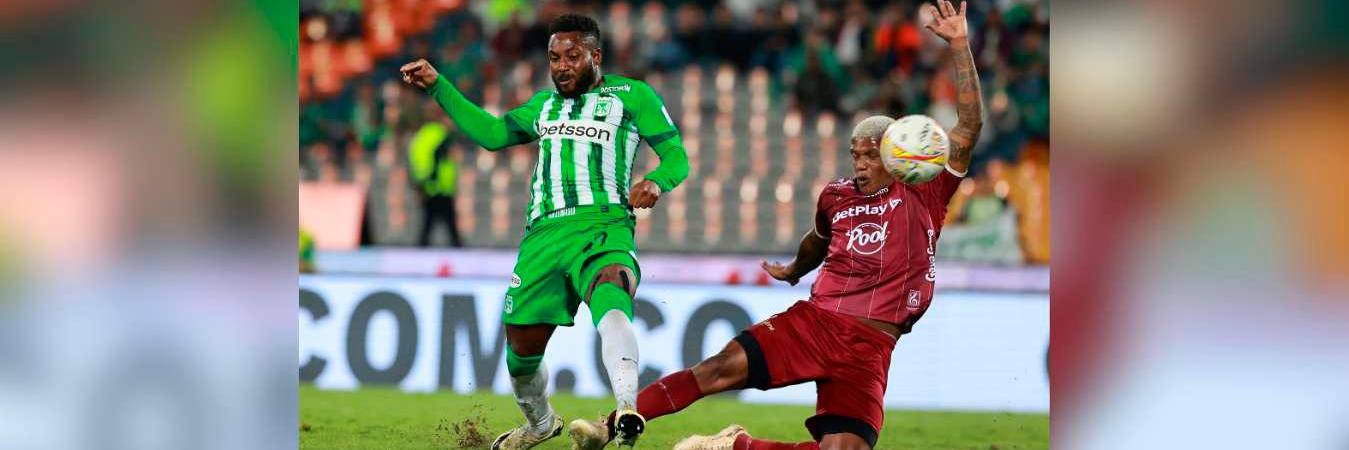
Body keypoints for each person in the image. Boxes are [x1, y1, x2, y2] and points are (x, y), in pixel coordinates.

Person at [568, 2, 982, 449]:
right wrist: (796, 270)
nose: (860, 164)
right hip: (817, 324)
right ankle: (606, 428)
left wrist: (959, 45)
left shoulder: (924, 192)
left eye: (869, 155)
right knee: (716, 369)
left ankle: (731, 445)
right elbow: (817, 240)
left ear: (894, 155)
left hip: (871, 347)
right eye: (854, 154)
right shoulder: (837, 195)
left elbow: (969, 126)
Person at [400, 12, 689, 450]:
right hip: (542, 236)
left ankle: (627, 407)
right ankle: (540, 424)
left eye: (572, 56)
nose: (561, 66)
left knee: (612, 292)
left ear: (596, 55)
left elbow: (677, 157)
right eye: (554, 58)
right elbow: (493, 134)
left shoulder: (632, 95)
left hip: (603, 225)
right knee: (521, 353)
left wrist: (655, 182)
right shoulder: (543, 106)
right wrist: (440, 86)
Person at [408, 101, 463, 247]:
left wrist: (419, 185)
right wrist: (434, 180)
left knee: (428, 227)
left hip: (427, 188)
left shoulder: (420, 137)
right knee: (450, 230)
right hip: (440, 188)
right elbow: (437, 159)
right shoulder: (440, 134)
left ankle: (418, 257)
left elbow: (415, 163)